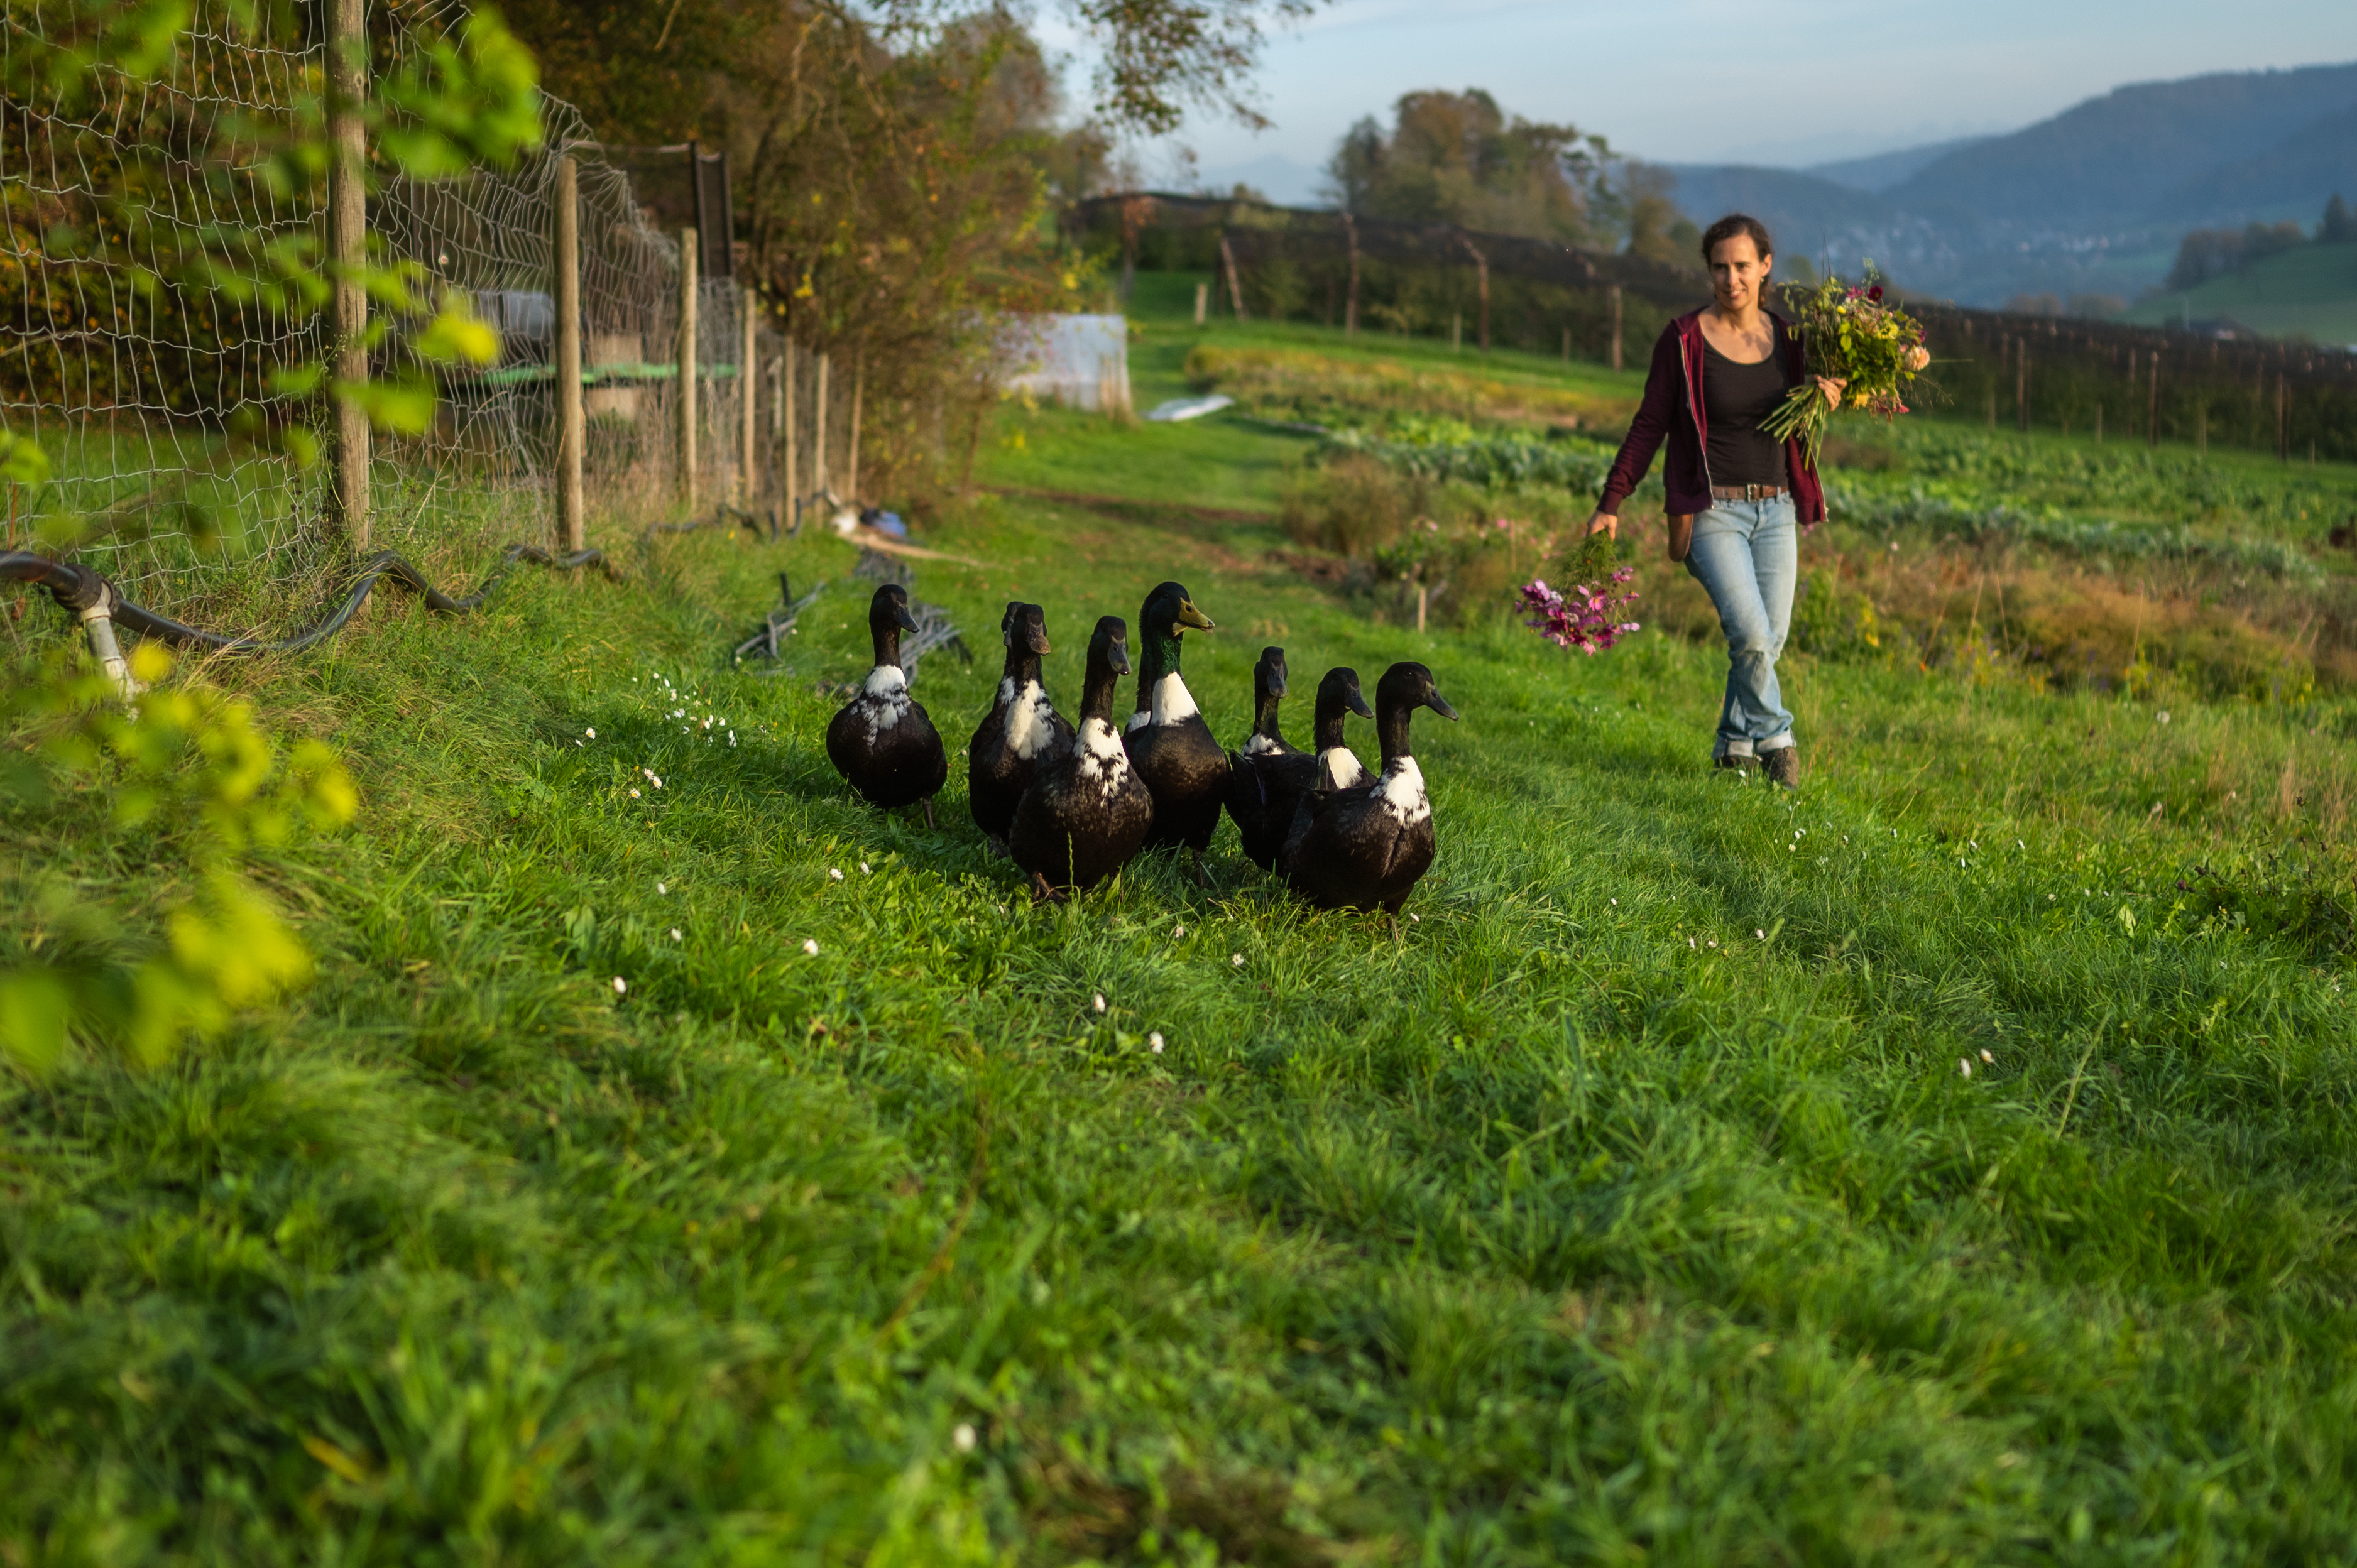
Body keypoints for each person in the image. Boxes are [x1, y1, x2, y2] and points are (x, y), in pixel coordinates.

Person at [1587, 214, 1842, 788]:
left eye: (1742, 266)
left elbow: (1815, 406)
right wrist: (1611, 501)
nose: (1731, 279)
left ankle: (1733, 747)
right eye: (1720, 268)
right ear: (1708, 270)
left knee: (1766, 642)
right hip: (1710, 512)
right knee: (1750, 635)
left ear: (1765, 267)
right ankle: (1777, 739)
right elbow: (1649, 424)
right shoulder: (1684, 341)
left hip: (1775, 509)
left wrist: (1827, 396)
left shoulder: (1792, 342)